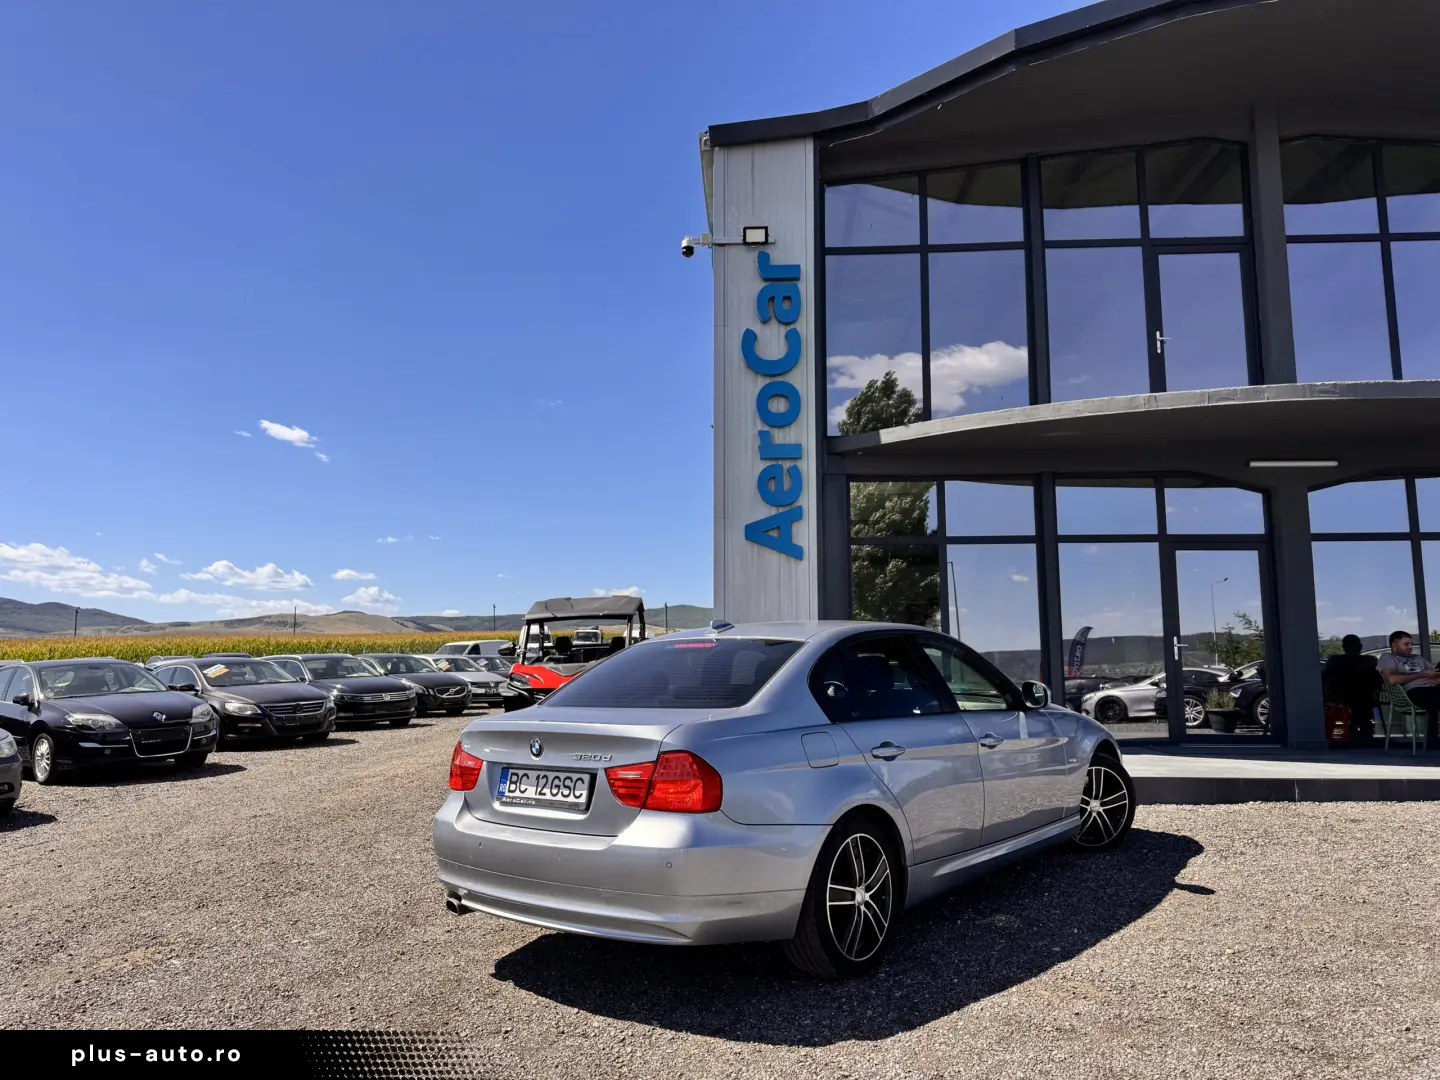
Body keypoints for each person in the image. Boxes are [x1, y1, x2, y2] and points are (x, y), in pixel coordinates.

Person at [1322, 634, 1382, 743]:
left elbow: (1324, 679)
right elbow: (1378, 682)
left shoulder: (1335, 662)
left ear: (1343, 647)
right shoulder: (1368, 661)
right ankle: (1362, 734)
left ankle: (1355, 733)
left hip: (1343, 699)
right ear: (1360, 647)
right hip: (1358, 700)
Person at [1376, 630, 1440, 714]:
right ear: (1394, 645)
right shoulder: (1388, 657)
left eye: (1411, 644)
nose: (1410, 647)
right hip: (1414, 691)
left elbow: (1435, 671)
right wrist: (1422, 674)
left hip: (1433, 687)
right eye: (1406, 644)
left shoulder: (1417, 658)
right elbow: (1392, 679)